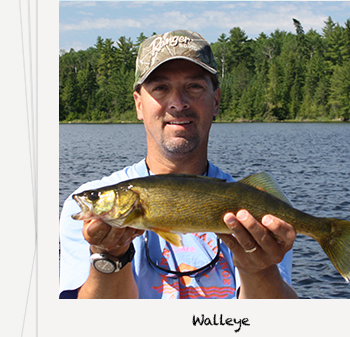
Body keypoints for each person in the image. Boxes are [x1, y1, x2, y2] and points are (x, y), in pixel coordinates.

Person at [59, 30, 298, 299]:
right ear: (138, 104)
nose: (177, 103)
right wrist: (109, 258)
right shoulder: (80, 216)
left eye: (194, 87)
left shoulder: (260, 205)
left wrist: (260, 270)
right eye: (161, 88)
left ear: (216, 100)